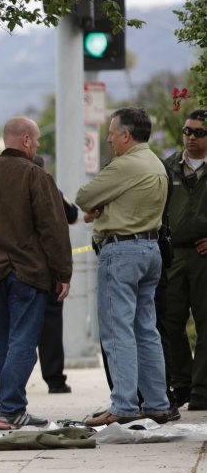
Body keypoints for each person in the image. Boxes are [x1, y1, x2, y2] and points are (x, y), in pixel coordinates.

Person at [0, 116, 72, 430]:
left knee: (1, 343)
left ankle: (14, 408)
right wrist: (63, 272)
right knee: (23, 342)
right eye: (35, 141)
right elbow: (53, 228)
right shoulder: (35, 175)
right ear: (25, 140)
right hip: (27, 273)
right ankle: (9, 410)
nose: (36, 146)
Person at [76, 107, 172, 426]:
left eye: (113, 133)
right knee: (146, 329)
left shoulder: (125, 164)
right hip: (150, 249)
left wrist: (99, 208)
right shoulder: (155, 163)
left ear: (127, 135)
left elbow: (84, 196)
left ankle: (124, 405)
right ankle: (158, 402)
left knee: (118, 329)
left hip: (122, 252)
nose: (109, 138)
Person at [160, 109, 207, 410]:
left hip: (203, 255)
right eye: (187, 131)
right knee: (169, 321)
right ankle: (183, 384)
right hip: (174, 253)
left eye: (198, 132)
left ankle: (202, 389)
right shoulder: (168, 167)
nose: (190, 137)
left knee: (206, 322)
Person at [31, 155, 78, 394]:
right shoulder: (50, 189)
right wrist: (63, 273)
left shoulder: (2, 189)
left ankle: (11, 381)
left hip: (12, 268)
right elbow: (72, 215)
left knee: (14, 328)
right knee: (50, 326)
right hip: (44, 269)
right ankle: (55, 380)